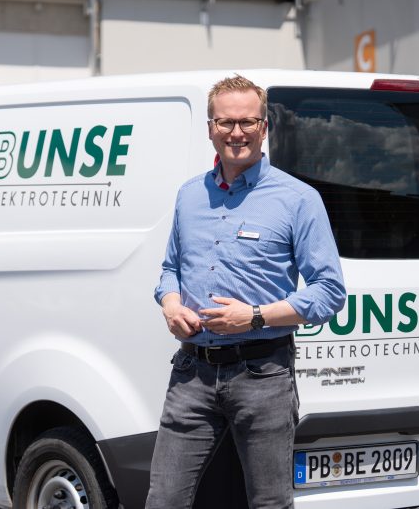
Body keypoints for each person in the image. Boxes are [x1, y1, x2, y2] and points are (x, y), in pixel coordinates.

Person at [145, 75, 346, 509]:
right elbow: (170, 270)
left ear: (264, 127)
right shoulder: (188, 196)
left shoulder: (298, 199)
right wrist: (171, 302)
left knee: (269, 503)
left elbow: (329, 292)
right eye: (226, 122)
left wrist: (254, 316)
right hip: (191, 375)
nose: (236, 132)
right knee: (163, 500)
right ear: (210, 128)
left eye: (248, 122)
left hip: (263, 375)